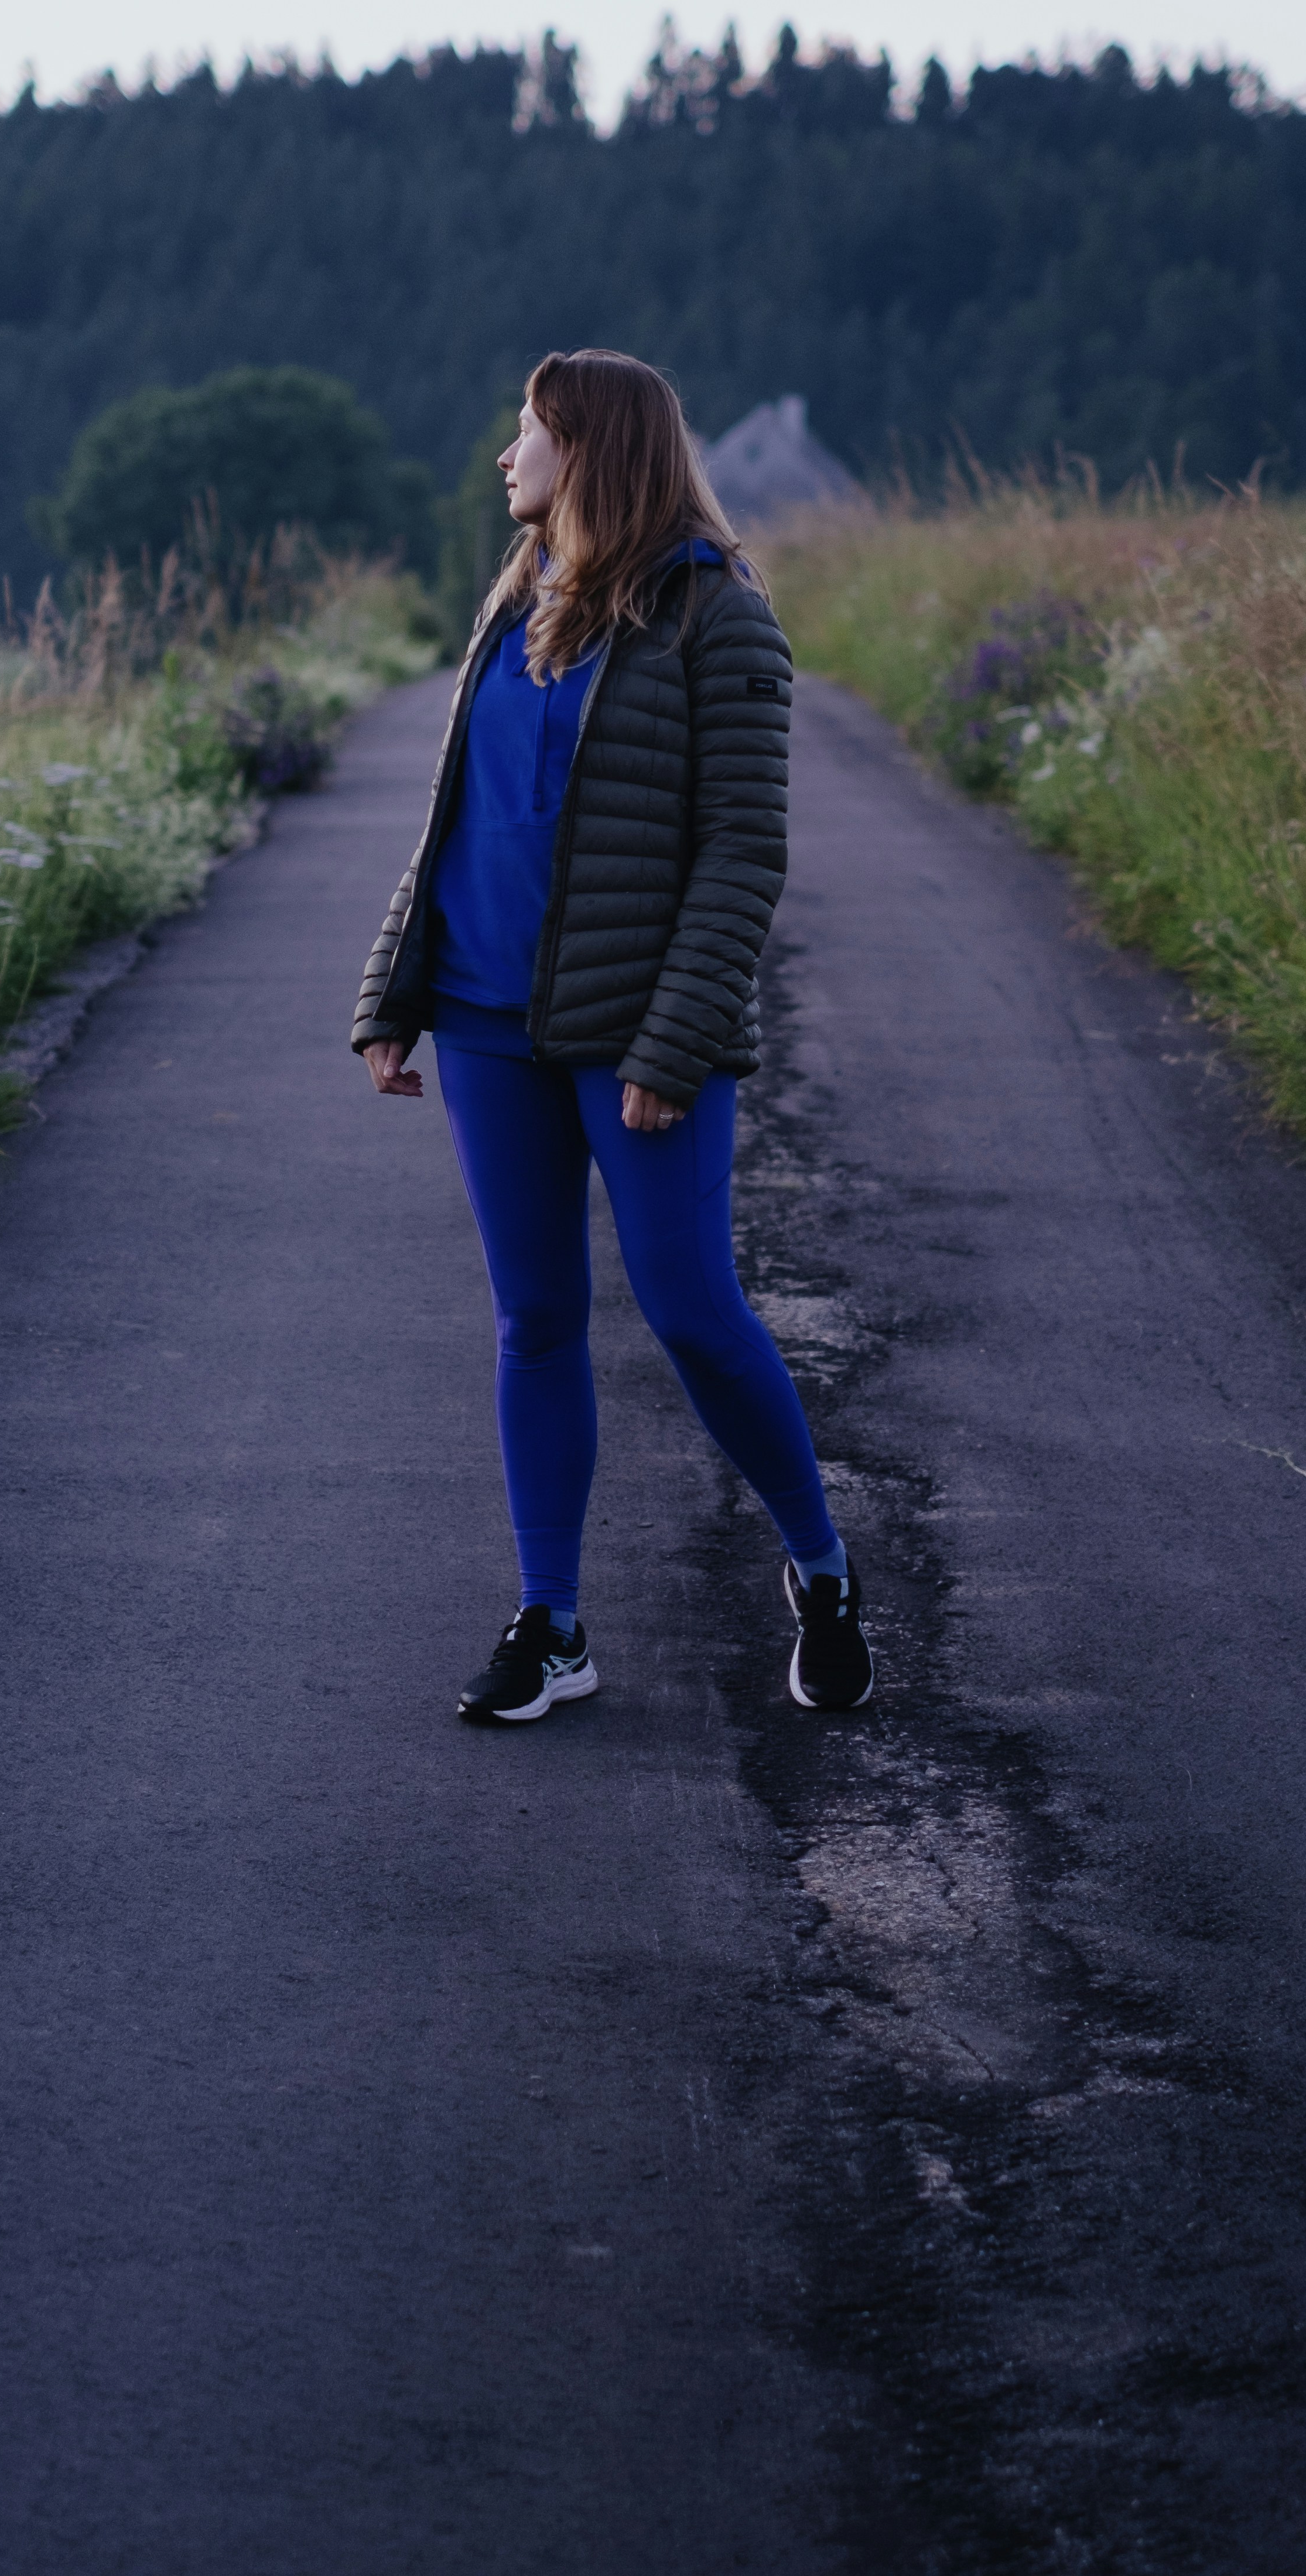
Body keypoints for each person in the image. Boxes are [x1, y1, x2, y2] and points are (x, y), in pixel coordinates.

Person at [352, 346, 873, 1724]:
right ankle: (553, 1623)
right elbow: (454, 812)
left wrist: (673, 1041)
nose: (506, 454)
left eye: (528, 431)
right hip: (482, 1020)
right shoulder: (515, 597)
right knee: (534, 1321)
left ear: (594, 453)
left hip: (639, 1034)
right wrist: (391, 993)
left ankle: (821, 1574)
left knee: (695, 1313)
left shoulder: (719, 618)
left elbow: (742, 857)